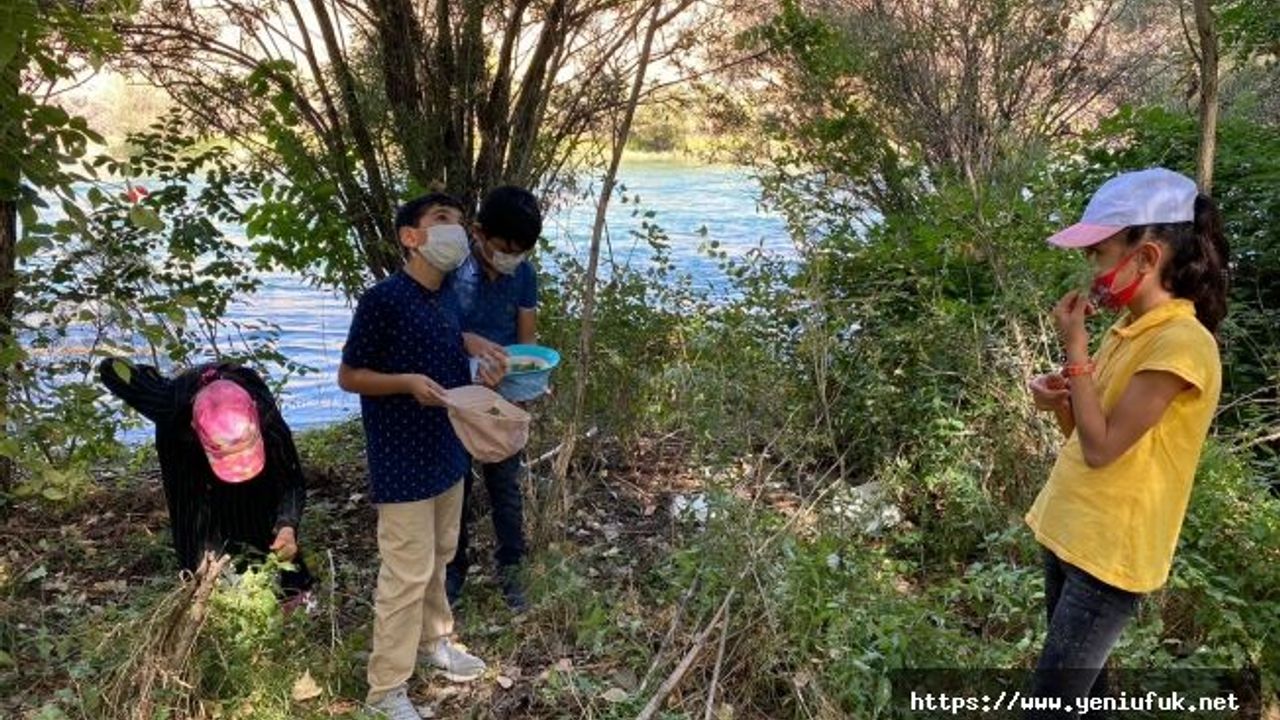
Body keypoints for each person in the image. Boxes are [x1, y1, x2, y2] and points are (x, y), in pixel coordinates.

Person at [1024, 168, 1228, 713]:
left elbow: (1102, 448)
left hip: (1108, 556)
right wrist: (1063, 400)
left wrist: (1075, 352)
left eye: (1101, 251)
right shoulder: (1126, 331)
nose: (1092, 267)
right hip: (1073, 534)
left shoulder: (1182, 344)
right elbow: (1086, 441)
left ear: (1147, 257)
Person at [337, 192, 494, 719]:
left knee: (440, 554)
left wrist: (479, 350)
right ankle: (385, 692)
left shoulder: (448, 294)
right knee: (405, 571)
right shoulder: (382, 300)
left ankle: (434, 643)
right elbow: (350, 376)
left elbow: (451, 335)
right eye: (442, 220)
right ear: (412, 236)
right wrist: (406, 382)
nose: (456, 230)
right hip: (401, 458)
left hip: (447, 449)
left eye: (458, 222)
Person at [98, 359, 313, 600]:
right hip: (185, 457)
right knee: (197, 531)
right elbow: (110, 368)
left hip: (256, 474)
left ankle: (289, 591)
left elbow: (290, 479)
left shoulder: (264, 415)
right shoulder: (168, 403)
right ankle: (208, 593)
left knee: (259, 512)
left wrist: (287, 526)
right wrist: (153, 378)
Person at [444, 185, 543, 612]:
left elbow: (526, 345)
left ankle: (512, 571)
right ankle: (452, 572)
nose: (511, 257)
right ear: (479, 232)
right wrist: (468, 342)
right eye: (505, 247)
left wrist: (526, 386)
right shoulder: (450, 268)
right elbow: (435, 329)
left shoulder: (523, 274)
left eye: (520, 250)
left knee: (505, 485)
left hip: (500, 395)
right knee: (454, 487)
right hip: (453, 393)